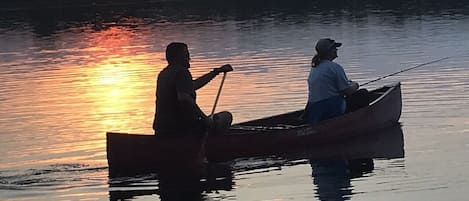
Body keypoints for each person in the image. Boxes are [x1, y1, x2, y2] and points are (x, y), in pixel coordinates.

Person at [153, 42, 233, 136]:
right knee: (226, 116)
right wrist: (205, 119)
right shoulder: (182, 72)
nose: (189, 58)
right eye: (186, 55)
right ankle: (216, 145)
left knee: (214, 119)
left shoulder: (163, 74)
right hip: (182, 128)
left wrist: (216, 72)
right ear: (178, 57)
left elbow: (193, 85)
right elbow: (184, 98)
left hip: (161, 128)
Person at [303, 38, 360, 125]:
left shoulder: (314, 68)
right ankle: (354, 123)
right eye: (334, 48)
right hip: (331, 110)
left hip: (315, 111)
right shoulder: (335, 67)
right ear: (328, 51)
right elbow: (347, 91)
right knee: (363, 94)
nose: (336, 50)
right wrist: (355, 85)